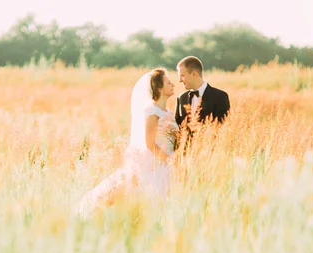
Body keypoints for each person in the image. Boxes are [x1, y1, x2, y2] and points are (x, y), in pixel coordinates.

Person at [77, 68, 178, 219]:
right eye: (168, 82)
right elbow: (150, 144)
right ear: (159, 88)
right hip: (156, 163)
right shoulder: (152, 113)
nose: (173, 84)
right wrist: (168, 161)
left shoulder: (169, 113)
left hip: (169, 160)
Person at [175, 56, 230, 132]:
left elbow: (221, 128)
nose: (180, 80)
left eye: (182, 76)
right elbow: (179, 129)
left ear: (194, 74)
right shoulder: (181, 98)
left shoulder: (220, 97)